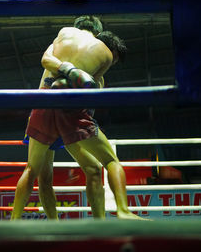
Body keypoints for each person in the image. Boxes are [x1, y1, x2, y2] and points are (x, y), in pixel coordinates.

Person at [11, 16, 144, 220]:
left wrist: (67, 70)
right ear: (98, 34)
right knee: (107, 161)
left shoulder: (61, 36)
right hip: (70, 112)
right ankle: (121, 211)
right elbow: (92, 94)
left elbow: (45, 59)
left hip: (43, 106)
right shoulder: (103, 52)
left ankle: (15, 223)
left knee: (37, 172)